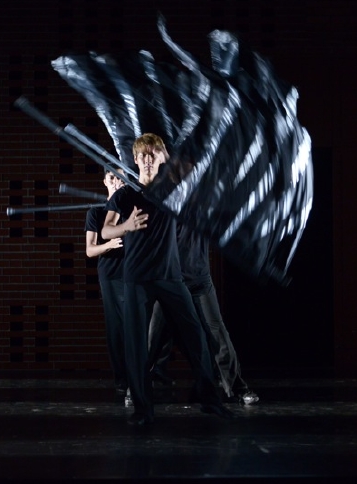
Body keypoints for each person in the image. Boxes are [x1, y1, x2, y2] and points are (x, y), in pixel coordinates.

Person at [102, 133, 233, 425]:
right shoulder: (125, 195)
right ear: (135, 160)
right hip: (137, 279)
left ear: (162, 157)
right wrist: (126, 225)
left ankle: (210, 400)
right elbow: (106, 231)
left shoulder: (175, 192)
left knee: (197, 338)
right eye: (142, 155)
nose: (147, 160)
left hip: (171, 277)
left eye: (153, 154)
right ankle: (142, 410)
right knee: (137, 347)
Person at [148, 224, 259, 405]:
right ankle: (136, 388)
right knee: (154, 338)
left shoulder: (202, 213)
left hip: (200, 281)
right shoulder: (166, 214)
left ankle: (237, 387)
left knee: (218, 334)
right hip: (171, 282)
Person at [85, 168, 127, 399]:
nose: (116, 181)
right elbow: (90, 250)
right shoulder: (96, 212)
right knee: (116, 327)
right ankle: (121, 378)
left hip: (134, 273)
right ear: (105, 181)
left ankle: (147, 375)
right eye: (112, 177)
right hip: (111, 274)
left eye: (120, 178)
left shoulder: (130, 207)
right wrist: (108, 245)